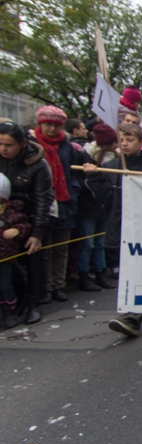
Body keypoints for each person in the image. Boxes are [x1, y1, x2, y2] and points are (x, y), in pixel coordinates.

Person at [83, 124, 142, 337]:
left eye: (130, 140)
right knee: (126, 272)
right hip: (119, 228)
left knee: (140, 270)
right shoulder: (111, 167)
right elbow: (106, 201)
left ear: (141, 143)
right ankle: (135, 310)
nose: (125, 144)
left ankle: (134, 314)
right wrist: (94, 177)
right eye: (122, 140)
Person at [0, 122, 54, 324]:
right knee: (7, 261)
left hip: (32, 216)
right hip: (4, 218)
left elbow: (43, 199)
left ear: (22, 144)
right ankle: (18, 299)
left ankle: (34, 302)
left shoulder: (38, 164)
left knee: (34, 258)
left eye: (9, 145)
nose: (3, 149)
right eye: (0, 144)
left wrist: (37, 233)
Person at [35, 106, 81, 304]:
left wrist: (72, 193)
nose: (52, 129)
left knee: (61, 247)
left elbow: (73, 172)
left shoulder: (66, 146)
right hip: (43, 200)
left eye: (55, 125)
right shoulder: (33, 144)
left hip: (64, 201)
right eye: (48, 124)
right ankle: (45, 286)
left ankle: (58, 285)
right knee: (44, 246)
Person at [75, 122, 118, 291]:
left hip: (104, 208)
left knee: (101, 242)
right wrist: (92, 181)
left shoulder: (115, 159)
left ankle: (100, 272)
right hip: (88, 206)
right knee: (87, 243)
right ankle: (84, 275)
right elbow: (77, 181)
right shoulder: (85, 156)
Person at [0, 173, 31, 329]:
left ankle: (10, 313)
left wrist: (17, 230)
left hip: (5, 257)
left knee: (5, 286)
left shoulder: (11, 213)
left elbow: (24, 224)